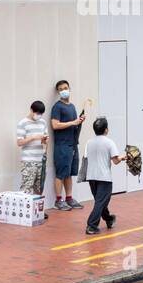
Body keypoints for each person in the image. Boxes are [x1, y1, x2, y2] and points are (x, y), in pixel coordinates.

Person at [83, 117, 123, 235]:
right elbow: (115, 161)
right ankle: (91, 225)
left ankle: (109, 219)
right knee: (101, 202)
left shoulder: (89, 142)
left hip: (91, 176)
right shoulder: (109, 142)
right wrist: (122, 157)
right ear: (106, 130)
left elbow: (85, 158)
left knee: (100, 201)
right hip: (104, 177)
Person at [50, 80, 85, 211]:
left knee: (69, 173)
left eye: (65, 87)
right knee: (61, 173)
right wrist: (72, 122)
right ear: (58, 92)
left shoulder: (72, 107)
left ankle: (69, 198)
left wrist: (79, 121)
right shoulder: (57, 107)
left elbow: (74, 125)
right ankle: (58, 200)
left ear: (69, 88)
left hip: (72, 145)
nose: (64, 90)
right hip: (62, 145)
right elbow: (55, 125)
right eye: (60, 89)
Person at [16, 100, 49, 214]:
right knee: (27, 187)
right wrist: (33, 137)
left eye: (40, 113)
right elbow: (19, 142)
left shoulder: (43, 122)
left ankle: (38, 212)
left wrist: (45, 140)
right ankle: (25, 212)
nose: (38, 115)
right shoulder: (23, 123)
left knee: (39, 188)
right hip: (28, 161)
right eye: (37, 113)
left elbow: (46, 140)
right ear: (31, 110)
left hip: (40, 160)